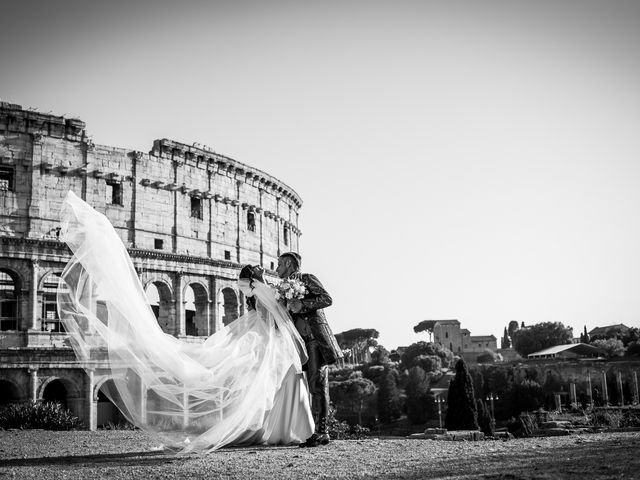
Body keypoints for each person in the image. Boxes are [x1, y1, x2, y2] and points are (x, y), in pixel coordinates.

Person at [57, 191, 313, 452]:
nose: (244, 289)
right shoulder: (267, 293)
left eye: (244, 285)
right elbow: (274, 318)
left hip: (264, 339)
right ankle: (287, 428)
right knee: (267, 385)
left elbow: (270, 317)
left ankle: (276, 428)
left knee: (254, 383)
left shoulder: (264, 296)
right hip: (268, 341)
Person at [276, 252, 343, 447]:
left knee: (317, 385)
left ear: (289, 264)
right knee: (313, 385)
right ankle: (319, 431)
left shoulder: (307, 279)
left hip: (316, 339)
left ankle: (322, 432)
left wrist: (302, 304)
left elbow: (326, 298)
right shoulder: (282, 288)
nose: (277, 268)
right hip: (302, 343)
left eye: (280, 264)